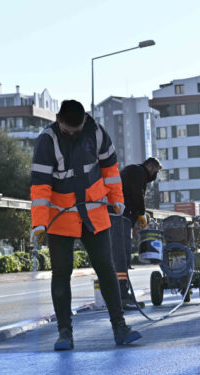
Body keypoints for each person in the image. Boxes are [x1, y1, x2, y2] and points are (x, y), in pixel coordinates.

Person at [29, 99, 141, 350]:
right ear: (58, 120)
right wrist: (39, 223)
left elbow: (111, 170)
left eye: (77, 130)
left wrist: (117, 200)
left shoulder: (98, 134)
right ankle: (65, 333)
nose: (73, 134)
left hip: (94, 213)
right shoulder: (47, 142)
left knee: (106, 269)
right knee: (61, 273)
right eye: (68, 131)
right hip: (61, 217)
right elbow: (40, 187)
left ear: (84, 121)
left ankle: (120, 328)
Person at [111, 157, 162, 310]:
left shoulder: (135, 172)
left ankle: (122, 294)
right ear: (150, 165)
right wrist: (141, 212)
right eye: (156, 171)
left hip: (122, 217)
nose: (155, 175)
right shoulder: (137, 170)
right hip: (119, 217)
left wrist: (137, 217)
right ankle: (122, 297)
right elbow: (136, 193)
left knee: (123, 257)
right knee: (122, 257)